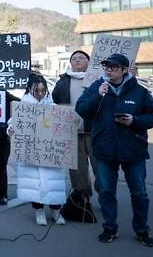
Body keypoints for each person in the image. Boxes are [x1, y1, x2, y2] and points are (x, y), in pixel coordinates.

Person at [76, 54, 153, 246]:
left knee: (139, 193)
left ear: (125, 70)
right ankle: (110, 228)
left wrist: (134, 121)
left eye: (113, 67)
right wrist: (97, 94)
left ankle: (142, 230)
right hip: (104, 148)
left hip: (133, 149)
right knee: (106, 192)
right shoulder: (97, 87)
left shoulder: (139, 91)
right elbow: (82, 109)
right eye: (106, 66)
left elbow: (152, 115)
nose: (108, 70)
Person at [9, 73, 67, 226]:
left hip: (50, 151)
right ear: (30, 89)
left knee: (54, 184)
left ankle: (56, 210)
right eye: (37, 90)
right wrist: (11, 130)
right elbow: (12, 124)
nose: (40, 93)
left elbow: (63, 125)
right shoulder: (22, 107)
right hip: (31, 151)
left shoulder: (53, 106)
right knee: (34, 184)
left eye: (43, 90)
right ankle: (39, 210)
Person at [52, 50, 98, 201]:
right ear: (70, 63)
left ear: (89, 62)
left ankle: (105, 194)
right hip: (72, 131)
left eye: (82, 58)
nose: (77, 60)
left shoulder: (97, 80)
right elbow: (55, 100)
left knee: (101, 166)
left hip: (95, 131)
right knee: (77, 168)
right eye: (74, 58)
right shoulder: (63, 81)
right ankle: (82, 198)